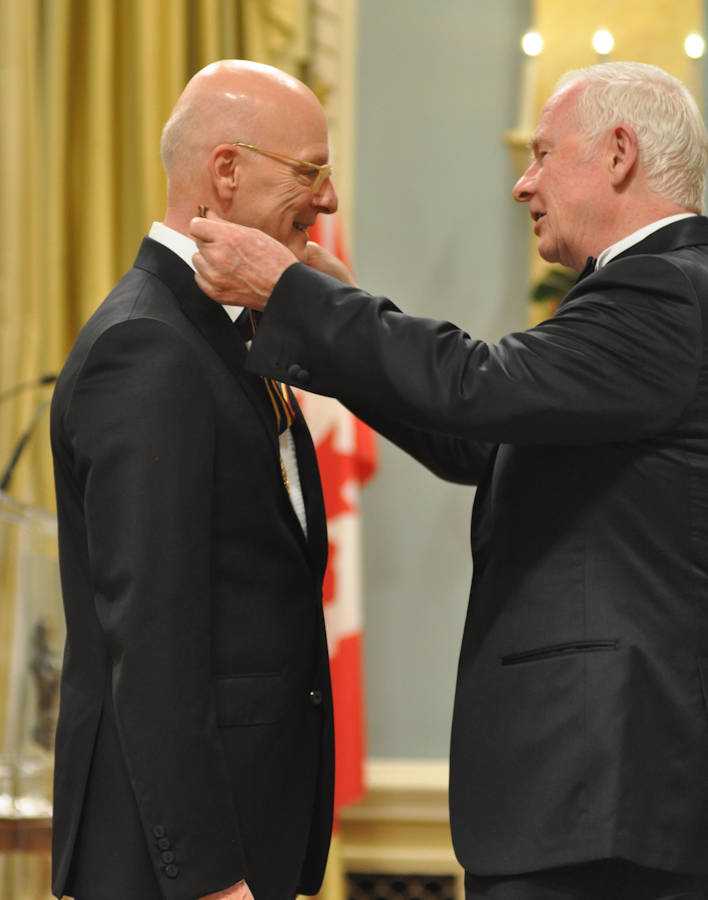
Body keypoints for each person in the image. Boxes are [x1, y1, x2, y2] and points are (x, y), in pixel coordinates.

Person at [189, 62, 708, 899]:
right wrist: (331, 322)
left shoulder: (666, 293)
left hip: (607, 800)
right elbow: (481, 439)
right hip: (589, 801)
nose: (522, 181)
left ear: (619, 153)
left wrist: (291, 295)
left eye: (542, 153)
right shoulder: (640, 295)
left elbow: (479, 385)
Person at [50, 59, 338, 900]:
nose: (327, 200)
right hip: (173, 865)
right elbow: (155, 642)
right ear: (225, 171)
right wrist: (212, 880)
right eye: (310, 172)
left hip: (242, 836)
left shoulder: (223, 332)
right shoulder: (150, 348)